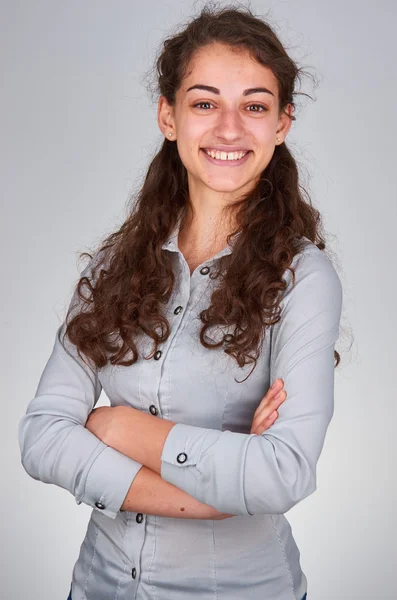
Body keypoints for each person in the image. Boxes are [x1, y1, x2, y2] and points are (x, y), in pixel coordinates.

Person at [18, 5, 343, 600]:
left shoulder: (303, 278)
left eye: (253, 105)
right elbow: (41, 435)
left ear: (282, 123)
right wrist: (214, 495)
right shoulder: (113, 266)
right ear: (168, 115)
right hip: (99, 586)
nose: (228, 129)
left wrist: (114, 426)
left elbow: (282, 473)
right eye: (203, 103)